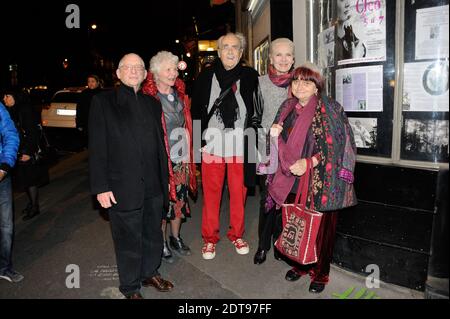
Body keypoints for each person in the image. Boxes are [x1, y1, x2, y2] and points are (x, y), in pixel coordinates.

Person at [266, 63, 357, 293]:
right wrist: (273, 134)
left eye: (307, 82)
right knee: (294, 221)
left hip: (321, 179)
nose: (300, 86)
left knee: (321, 229)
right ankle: (299, 265)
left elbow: (336, 147)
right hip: (290, 177)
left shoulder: (331, 109)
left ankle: (321, 272)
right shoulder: (287, 106)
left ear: (317, 87)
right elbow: (278, 141)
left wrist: (308, 163)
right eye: (296, 81)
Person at [89, 53, 173, 299]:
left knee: (152, 234)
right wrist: (101, 187)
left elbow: (159, 146)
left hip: (154, 185)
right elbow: (97, 149)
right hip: (121, 186)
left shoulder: (152, 104)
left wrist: (165, 181)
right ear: (118, 73)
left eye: (139, 67)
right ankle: (130, 287)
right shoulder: (103, 103)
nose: (134, 71)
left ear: (146, 74)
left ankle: (149, 272)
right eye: (128, 67)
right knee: (128, 241)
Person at [191, 32, 261, 260]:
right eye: (226, 47)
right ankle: (209, 239)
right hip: (211, 146)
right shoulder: (205, 77)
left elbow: (257, 111)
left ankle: (237, 234)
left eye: (235, 48)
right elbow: (195, 113)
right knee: (211, 195)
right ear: (219, 52)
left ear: (241, 53)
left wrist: (254, 142)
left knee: (238, 195)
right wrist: (197, 144)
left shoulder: (250, 76)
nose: (230, 51)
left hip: (240, 146)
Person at [142, 51, 197, 263]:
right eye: (168, 69)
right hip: (160, 161)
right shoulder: (149, 98)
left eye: (174, 69)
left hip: (180, 158)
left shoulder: (180, 95)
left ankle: (176, 238)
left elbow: (187, 126)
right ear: (155, 73)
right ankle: (162, 242)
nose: (173, 73)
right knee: (163, 204)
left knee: (179, 202)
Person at [253, 38, 296, 265]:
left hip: (292, 152)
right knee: (267, 199)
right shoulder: (259, 83)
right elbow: (253, 118)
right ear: (270, 58)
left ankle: (281, 243)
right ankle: (262, 245)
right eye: (278, 55)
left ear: (293, 58)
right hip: (266, 150)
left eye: (288, 55)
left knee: (287, 199)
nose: (283, 59)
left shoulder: (300, 82)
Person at [3, 89, 48, 221]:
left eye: (7, 95)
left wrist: (28, 152)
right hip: (18, 150)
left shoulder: (25, 110)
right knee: (25, 179)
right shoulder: (12, 110)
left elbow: (32, 133)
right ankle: (31, 203)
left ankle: (35, 207)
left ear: (15, 96)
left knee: (30, 179)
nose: (5, 99)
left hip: (26, 151)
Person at [0, 100, 22, 283]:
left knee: (6, 226)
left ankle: (4, 267)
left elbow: (11, 134)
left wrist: (5, 166)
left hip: (1, 177)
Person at [76, 74, 102, 147]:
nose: (90, 83)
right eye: (89, 81)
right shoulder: (84, 94)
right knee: (88, 143)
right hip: (86, 123)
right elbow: (79, 109)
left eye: (93, 81)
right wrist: (79, 124)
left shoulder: (102, 94)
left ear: (97, 82)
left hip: (100, 124)